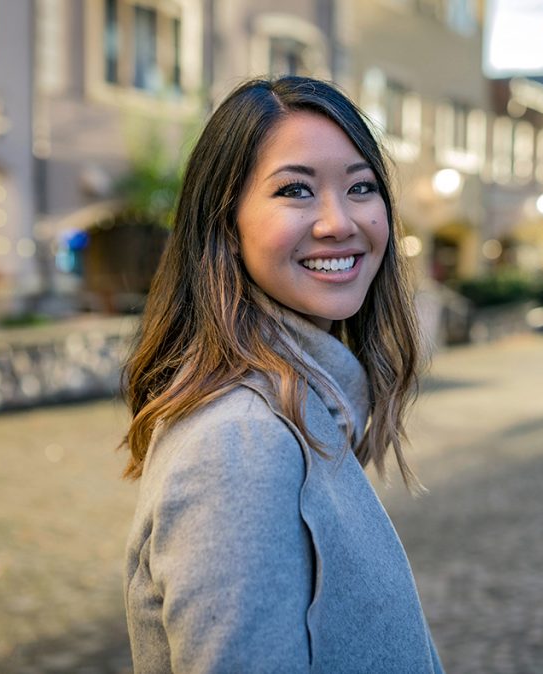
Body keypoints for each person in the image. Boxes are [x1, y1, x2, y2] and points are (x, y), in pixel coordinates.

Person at [120, 75, 444, 673]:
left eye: (361, 187)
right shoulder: (239, 441)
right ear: (225, 222)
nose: (337, 221)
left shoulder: (303, 411)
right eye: (295, 190)